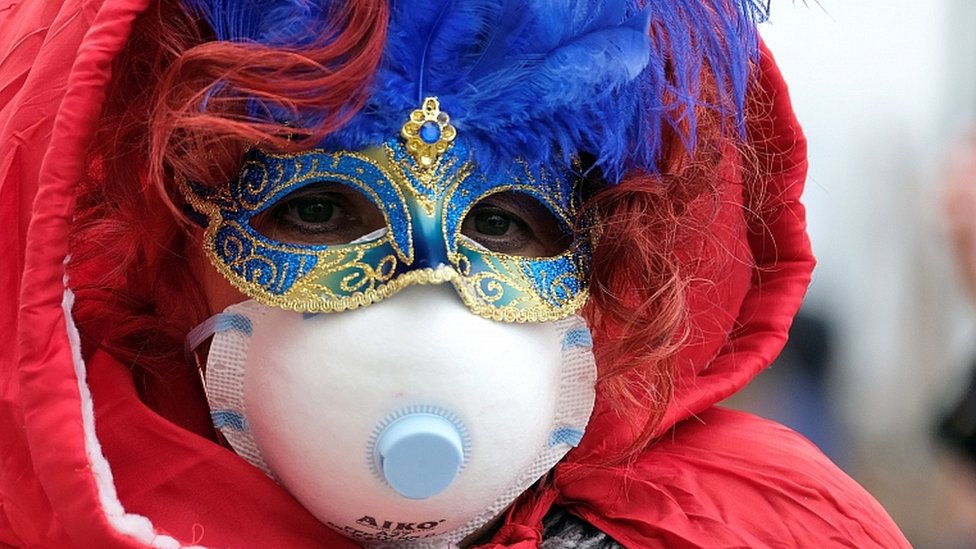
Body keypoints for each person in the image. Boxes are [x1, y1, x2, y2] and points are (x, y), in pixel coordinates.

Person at [0, 0, 910, 547]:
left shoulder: (750, 526)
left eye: (504, 224)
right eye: (318, 209)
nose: (425, 301)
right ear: (172, 241)